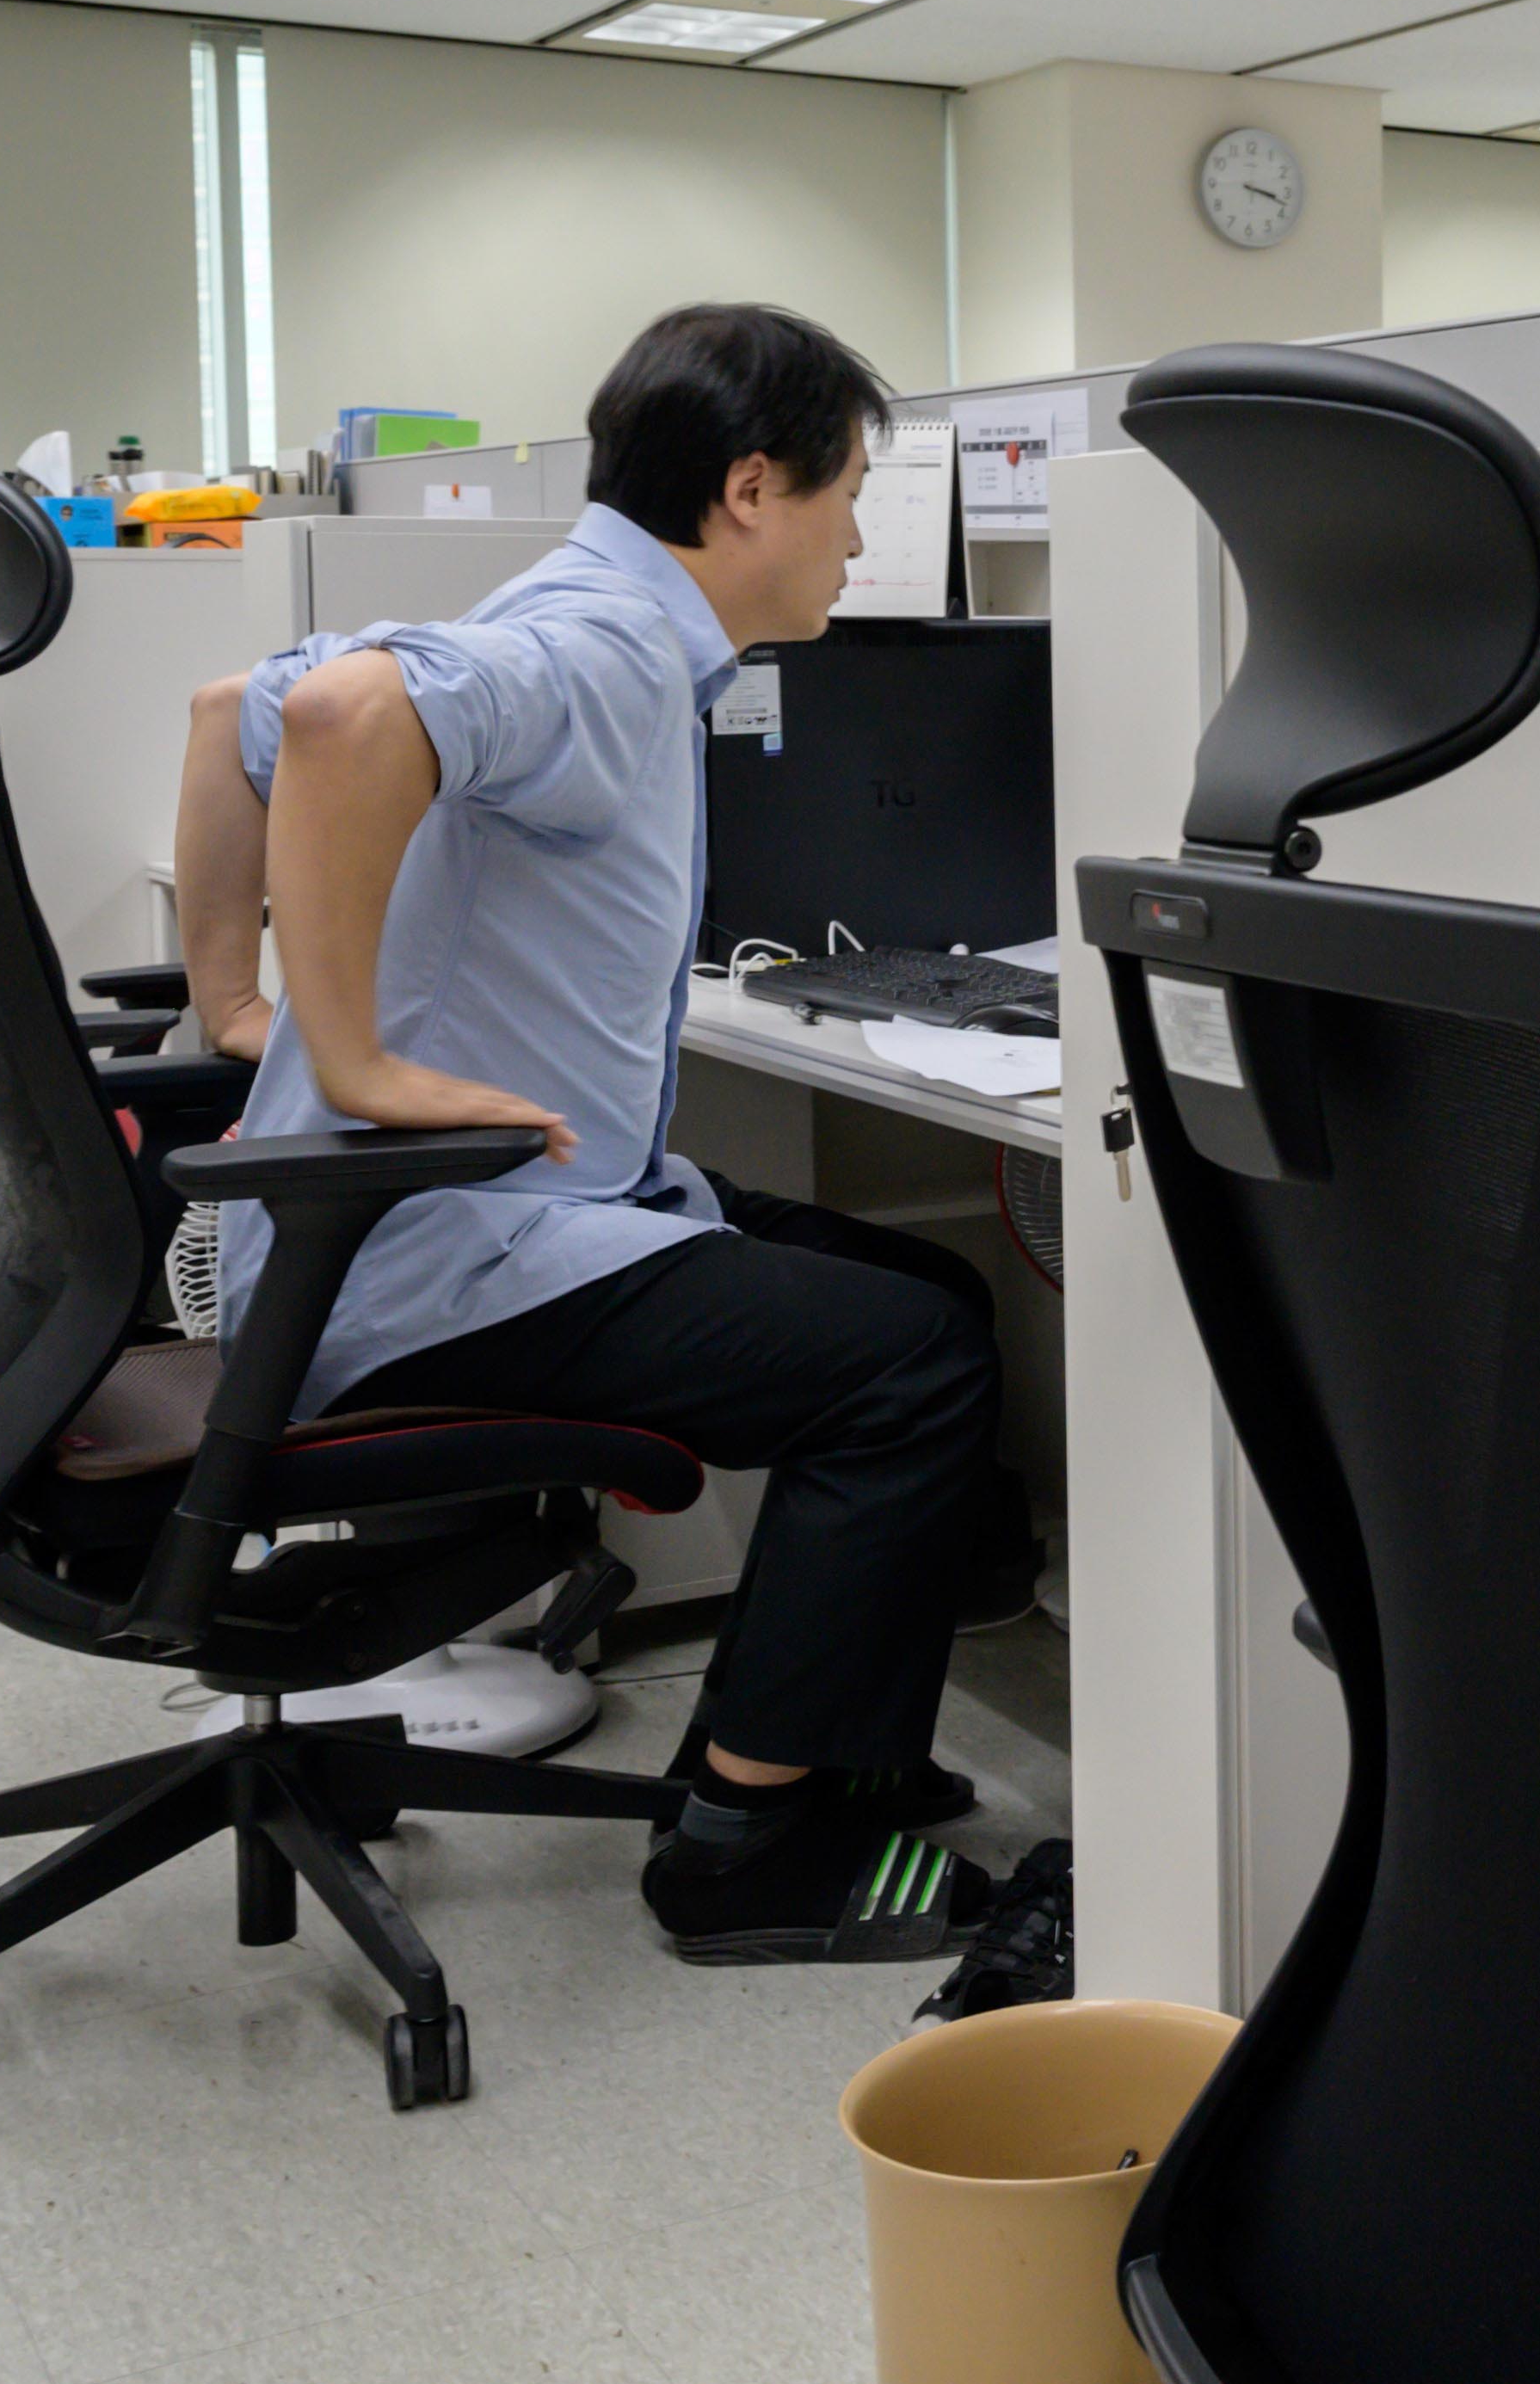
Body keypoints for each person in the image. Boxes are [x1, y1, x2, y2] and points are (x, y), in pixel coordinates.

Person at [171, 303, 1014, 1968]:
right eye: (848, 491)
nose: (856, 534)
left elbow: (225, 712)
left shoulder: (583, 613)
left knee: (931, 1292)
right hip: (424, 1251)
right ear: (754, 488)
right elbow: (340, 718)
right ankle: (741, 1839)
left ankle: (847, 1751)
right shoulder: (614, 649)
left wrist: (230, 1008)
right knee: (905, 1359)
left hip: (410, 1221)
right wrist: (344, 1052)